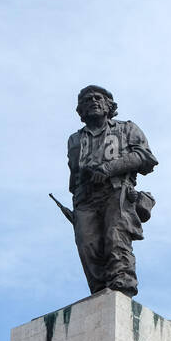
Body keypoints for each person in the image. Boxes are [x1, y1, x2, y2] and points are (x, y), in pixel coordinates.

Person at [66, 84, 158, 296]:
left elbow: (145, 157)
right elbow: (74, 176)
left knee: (116, 240)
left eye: (98, 98)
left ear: (109, 106)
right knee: (88, 246)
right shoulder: (74, 140)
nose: (93, 102)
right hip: (85, 199)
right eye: (87, 100)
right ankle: (99, 294)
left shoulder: (126, 128)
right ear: (81, 110)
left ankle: (121, 289)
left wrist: (108, 169)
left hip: (116, 192)